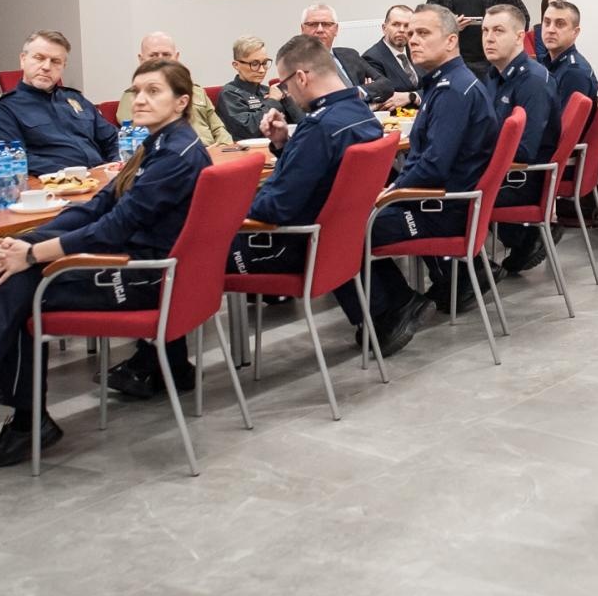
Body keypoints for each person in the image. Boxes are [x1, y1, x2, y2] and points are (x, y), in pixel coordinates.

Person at [0, 60, 210, 468]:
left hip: (145, 277)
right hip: (143, 265)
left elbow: (112, 229)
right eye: (136, 90)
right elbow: (99, 205)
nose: (139, 100)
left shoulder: (174, 155)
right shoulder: (157, 144)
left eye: (153, 92)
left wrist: (32, 255)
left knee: (13, 290)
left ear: (181, 102)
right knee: (10, 284)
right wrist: (26, 240)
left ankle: (6, 401)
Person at [106, 36, 398, 397]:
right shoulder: (358, 113)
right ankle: (159, 363)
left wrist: (231, 206)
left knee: (182, 251)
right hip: (328, 241)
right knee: (187, 241)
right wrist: (280, 147)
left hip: (287, 243)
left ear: (302, 78)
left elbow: (278, 208)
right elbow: (312, 178)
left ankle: (160, 365)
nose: (286, 94)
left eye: (285, 85)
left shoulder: (318, 126)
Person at [365, 4, 501, 318]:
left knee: (346, 229)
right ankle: (430, 289)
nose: (413, 40)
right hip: (444, 202)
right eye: (411, 33)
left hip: (442, 209)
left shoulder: (453, 90)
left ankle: (395, 309)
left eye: (423, 33)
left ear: (451, 41)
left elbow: (433, 166)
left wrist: (391, 192)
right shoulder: (446, 82)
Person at [482, 4, 562, 275]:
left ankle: (474, 274)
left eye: (498, 31)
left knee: (449, 198)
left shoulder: (532, 81)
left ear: (519, 37)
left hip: (523, 179)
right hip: (504, 173)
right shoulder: (494, 74)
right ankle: (518, 243)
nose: (489, 38)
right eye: (485, 31)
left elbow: (524, 150)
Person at [0, 30, 118, 176]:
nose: (46, 67)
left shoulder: (75, 99)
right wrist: (69, 174)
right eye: (39, 58)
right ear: (23, 59)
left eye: (55, 61)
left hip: (102, 177)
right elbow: (16, 157)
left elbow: (112, 138)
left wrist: (118, 164)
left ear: (63, 66)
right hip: (53, 184)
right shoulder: (4, 107)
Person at [115, 32, 231, 145]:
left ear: (176, 57)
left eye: (166, 55)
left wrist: (224, 147)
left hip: (212, 154)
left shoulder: (196, 91)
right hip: (173, 154)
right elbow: (137, 141)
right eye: (153, 55)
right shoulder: (134, 98)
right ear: (141, 59)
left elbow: (218, 128)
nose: (161, 60)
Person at [299, 5, 396, 107]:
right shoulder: (297, 65)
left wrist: (359, 92)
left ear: (336, 29)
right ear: (302, 29)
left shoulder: (349, 55)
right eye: (313, 24)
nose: (320, 29)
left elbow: (386, 85)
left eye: (326, 24)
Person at [218, 35, 299, 141]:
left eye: (265, 63)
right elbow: (249, 130)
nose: (262, 70)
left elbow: (302, 123)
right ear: (236, 65)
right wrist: (273, 101)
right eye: (254, 64)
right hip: (249, 151)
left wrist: (287, 99)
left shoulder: (269, 90)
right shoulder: (229, 94)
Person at [540, 0, 598, 112]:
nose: (550, 30)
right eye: (547, 22)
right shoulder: (547, 62)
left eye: (560, 24)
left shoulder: (574, 72)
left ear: (575, 32)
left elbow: (563, 127)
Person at [361, 5, 423, 109]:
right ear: (384, 28)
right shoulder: (371, 58)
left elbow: (434, 87)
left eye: (407, 25)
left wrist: (412, 96)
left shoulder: (417, 50)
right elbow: (387, 100)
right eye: (396, 24)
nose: (402, 30)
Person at [531, 0, 561, 65]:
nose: (557, 6)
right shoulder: (540, 29)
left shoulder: (566, 26)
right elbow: (541, 57)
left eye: (559, 3)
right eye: (553, 4)